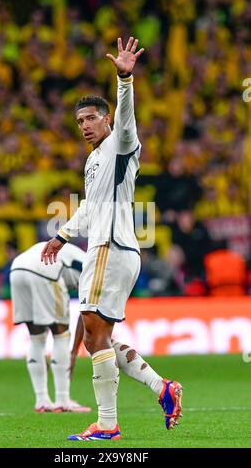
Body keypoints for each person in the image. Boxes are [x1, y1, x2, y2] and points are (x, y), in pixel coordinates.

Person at [41, 37, 183, 440]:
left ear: (107, 120)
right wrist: (62, 236)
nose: (85, 125)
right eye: (79, 121)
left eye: (90, 118)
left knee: (93, 333)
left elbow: (128, 116)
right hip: (110, 248)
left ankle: (107, 425)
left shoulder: (121, 143)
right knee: (98, 336)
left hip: (110, 248)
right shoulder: (94, 159)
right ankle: (163, 388)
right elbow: (89, 207)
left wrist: (124, 78)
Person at [10, 241, 91, 413]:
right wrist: (74, 351)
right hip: (46, 270)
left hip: (17, 269)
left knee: (36, 338)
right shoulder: (93, 271)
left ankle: (42, 401)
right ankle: (62, 400)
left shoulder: (79, 256)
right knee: (61, 335)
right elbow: (87, 313)